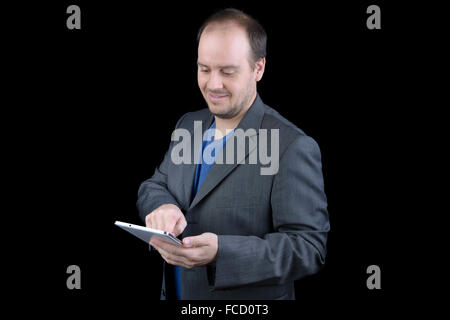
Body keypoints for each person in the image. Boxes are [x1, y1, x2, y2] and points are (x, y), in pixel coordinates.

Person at [137, 8, 330, 300]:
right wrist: (163, 206)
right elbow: (154, 186)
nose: (213, 84)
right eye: (204, 69)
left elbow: (308, 248)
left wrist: (222, 253)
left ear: (259, 68)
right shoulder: (188, 124)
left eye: (227, 72)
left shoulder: (292, 146)